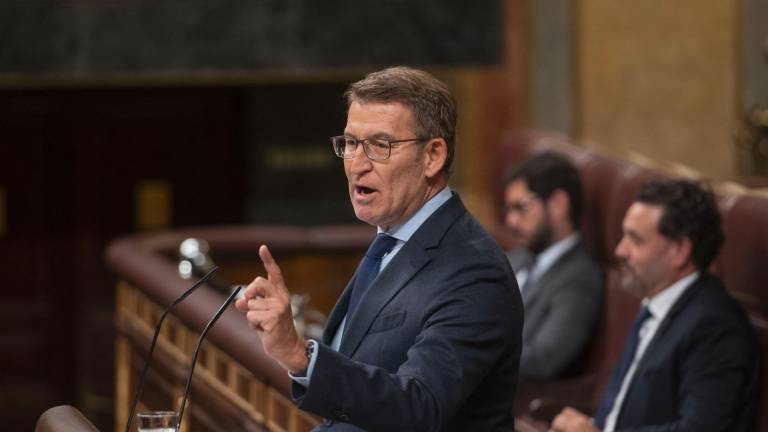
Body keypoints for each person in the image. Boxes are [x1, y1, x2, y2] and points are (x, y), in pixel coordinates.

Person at [235, 66, 523, 431]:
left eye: (379, 146)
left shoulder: (473, 271)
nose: (357, 164)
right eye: (351, 143)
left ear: (432, 156)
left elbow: (420, 405)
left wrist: (300, 355)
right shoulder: (391, 243)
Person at [550, 180, 759, 432]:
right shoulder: (657, 303)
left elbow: (699, 429)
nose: (620, 250)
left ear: (680, 251)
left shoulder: (715, 326)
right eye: (623, 236)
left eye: (635, 240)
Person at [504, 152, 603, 379]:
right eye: (509, 210)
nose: (511, 221)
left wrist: (471, 354)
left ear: (558, 204)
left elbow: (543, 359)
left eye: (521, 207)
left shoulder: (580, 277)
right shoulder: (517, 258)